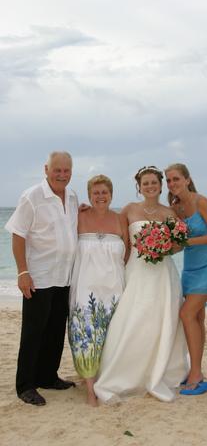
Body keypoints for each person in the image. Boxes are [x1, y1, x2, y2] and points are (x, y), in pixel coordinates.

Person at [94, 166, 188, 402]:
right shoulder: (129, 210)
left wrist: (163, 247)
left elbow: (179, 245)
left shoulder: (170, 212)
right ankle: (125, 370)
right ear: (139, 186)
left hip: (163, 274)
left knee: (160, 319)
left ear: (160, 185)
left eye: (154, 183)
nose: (150, 187)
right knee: (134, 317)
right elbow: (117, 236)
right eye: (145, 183)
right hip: (136, 270)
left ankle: (161, 369)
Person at [5, 151, 78, 406]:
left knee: (56, 330)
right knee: (34, 332)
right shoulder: (32, 196)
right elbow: (18, 234)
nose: (62, 175)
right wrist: (22, 272)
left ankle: (48, 376)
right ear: (46, 169)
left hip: (64, 276)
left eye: (66, 170)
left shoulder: (72, 196)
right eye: (57, 170)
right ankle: (25, 385)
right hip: (39, 276)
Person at [68, 174, 128, 406]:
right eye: (96, 193)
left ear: (111, 194)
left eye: (104, 192)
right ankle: (91, 389)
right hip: (84, 286)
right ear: (89, 195)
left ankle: (106, 379)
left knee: (111, 336)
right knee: (86, 335)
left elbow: (128, 253)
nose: (100, 196)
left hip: (114, 288)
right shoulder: (78, 217)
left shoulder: (121, 219)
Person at [165, 163, 207, 396]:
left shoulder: (201, 202)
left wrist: (188, 242)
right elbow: (178, 243)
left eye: (176, 179)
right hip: (189, 268)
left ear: (187, 180)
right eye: (168, 181)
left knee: (186, 314)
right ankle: (196, 371)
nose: (172, 184)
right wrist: (162, 250)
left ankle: (196, 374)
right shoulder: (176, 208)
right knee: (196, 318)